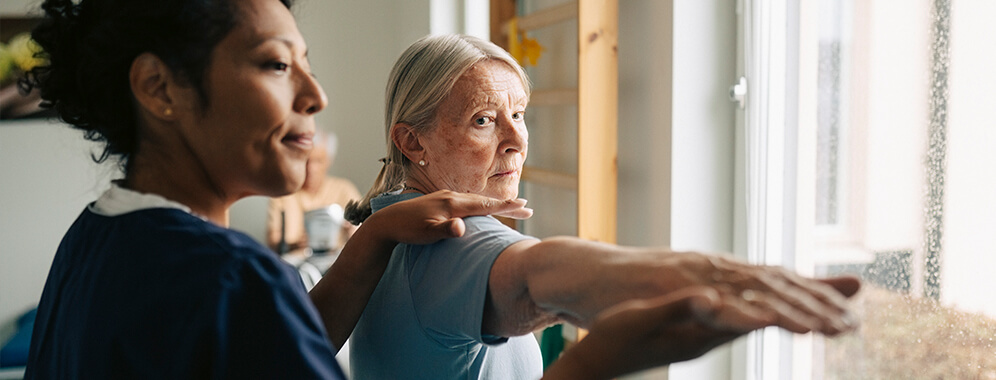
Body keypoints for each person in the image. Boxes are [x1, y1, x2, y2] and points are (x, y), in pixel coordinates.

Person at [18, 0, 846, 379]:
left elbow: (260, 346)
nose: (316, 95)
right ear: (160, 89)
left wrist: (374, 239)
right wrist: (596, 365)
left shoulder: (100, 237)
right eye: (276, 64)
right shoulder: (230, 279)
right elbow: (541, 271)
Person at [344, 33, 862, 380]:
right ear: (412, 143)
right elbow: (536, 275)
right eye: (483, 120)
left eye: (518, 114)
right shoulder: (447, 242)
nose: (516, 141)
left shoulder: (388, 222)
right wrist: (706, 272)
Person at [266, 130, 361, 256]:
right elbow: (272, 242)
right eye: (306, 161)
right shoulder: (283, 193)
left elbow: (364, 233)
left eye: (318, 161)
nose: (311, 168)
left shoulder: (344, 190)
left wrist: (352, 233)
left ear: (328, 161)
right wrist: (294, 244)